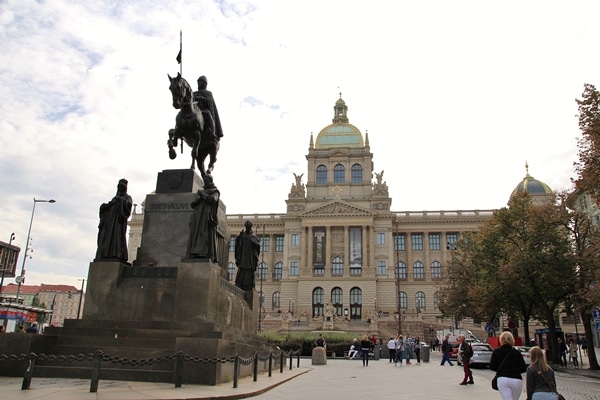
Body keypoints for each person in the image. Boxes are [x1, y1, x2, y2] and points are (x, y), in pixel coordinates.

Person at [96, 178, 133, 261]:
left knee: (118, 239)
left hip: (118, 223)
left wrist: (120, 200)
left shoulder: (127, 197)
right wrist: (104, 207)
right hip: (110, 222)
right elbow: (110, 205)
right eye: (119, 186)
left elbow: (127, 207)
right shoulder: (115, 198)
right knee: (108, 238)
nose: (120, 188)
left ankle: (117, 254)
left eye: (122, 186)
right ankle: (106, 254)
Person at [186, 174, 220, 261]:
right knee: (197, 234)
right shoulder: (201, 191)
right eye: (204, 180)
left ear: (210, 180)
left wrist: (203, 195)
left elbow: (213, 199)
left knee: (205, 235)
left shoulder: (215, 191)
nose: (205, 182)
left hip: (206, 217)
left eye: (206, 180)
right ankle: (195, 252)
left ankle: (205, 253)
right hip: (198, 217)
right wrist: (197, 200)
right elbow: (192, 204)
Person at [490, 331, 527, 400]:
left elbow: (492, 366)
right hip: (516, 379)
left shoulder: (496, 351)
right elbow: (523, 368)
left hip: (502, 378)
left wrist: (501, 370)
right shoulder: (517, 352)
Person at [194, 75, 223, 142]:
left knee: (208, 115)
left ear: (204, 83)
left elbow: (209, 102)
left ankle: (212, 132)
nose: (198, 83)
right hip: (195, 111)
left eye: (200, 82)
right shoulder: (194, 93)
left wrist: (200, 98)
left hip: (204, 110)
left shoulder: (208, 93)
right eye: (198, 82)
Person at [234, 220, 260, 291]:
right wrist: (239, 237)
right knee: (242, 269)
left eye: (249, 227)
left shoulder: (253, 237)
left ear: (250, 227)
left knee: (249, 269)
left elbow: (258, 246)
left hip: (250, 257)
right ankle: (240, 283)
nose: (248, 228)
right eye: (247, 226)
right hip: (243, 257)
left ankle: (249, 284)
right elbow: (237, 246)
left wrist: (255, 243)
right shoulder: (242, 236)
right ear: (245, 227)